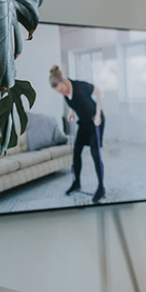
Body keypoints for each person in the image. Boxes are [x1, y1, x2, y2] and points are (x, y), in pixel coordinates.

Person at [49, 65, 106, 203]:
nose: (62, 93)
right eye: (59, 92)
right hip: (84, 123)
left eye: (61, 89)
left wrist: (98, 114)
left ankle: (101, 187)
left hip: (95, 121)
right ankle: (76, 183)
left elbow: (99, 92)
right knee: (76, 153)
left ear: (64, 81)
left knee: (95, 154)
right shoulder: (65, 93)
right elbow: (74, 102)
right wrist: (71, 112)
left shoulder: (80, 86)